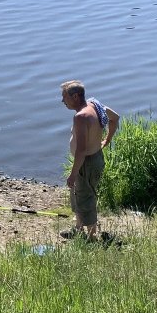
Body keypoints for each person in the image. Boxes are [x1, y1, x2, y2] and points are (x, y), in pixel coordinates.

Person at [60, 80, 119, 241]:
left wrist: (73, 174)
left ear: (76, 96)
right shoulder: (95, 104)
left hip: (86, 163)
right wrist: (107, 140)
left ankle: (91, 238)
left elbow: (81, 150)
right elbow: (115, 118)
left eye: (64, 97)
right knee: (79, 195)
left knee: (86, 198)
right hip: (95, 158)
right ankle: (78, 229)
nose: (62, 101)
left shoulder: (81, 117)